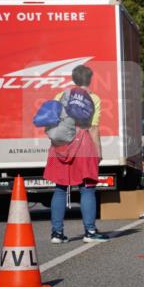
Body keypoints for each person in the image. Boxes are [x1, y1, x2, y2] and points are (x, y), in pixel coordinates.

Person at [45, 64, 108, 243]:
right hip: (83, 144)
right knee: (87, 188)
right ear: (90, 79)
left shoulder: (60, 95)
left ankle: (56, 233)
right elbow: (93, 128)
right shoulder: (93, 98)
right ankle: (89, 231)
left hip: (60, 144)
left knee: (59, 188)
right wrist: (98, 152)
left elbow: (53, 120)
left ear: (73, 78)